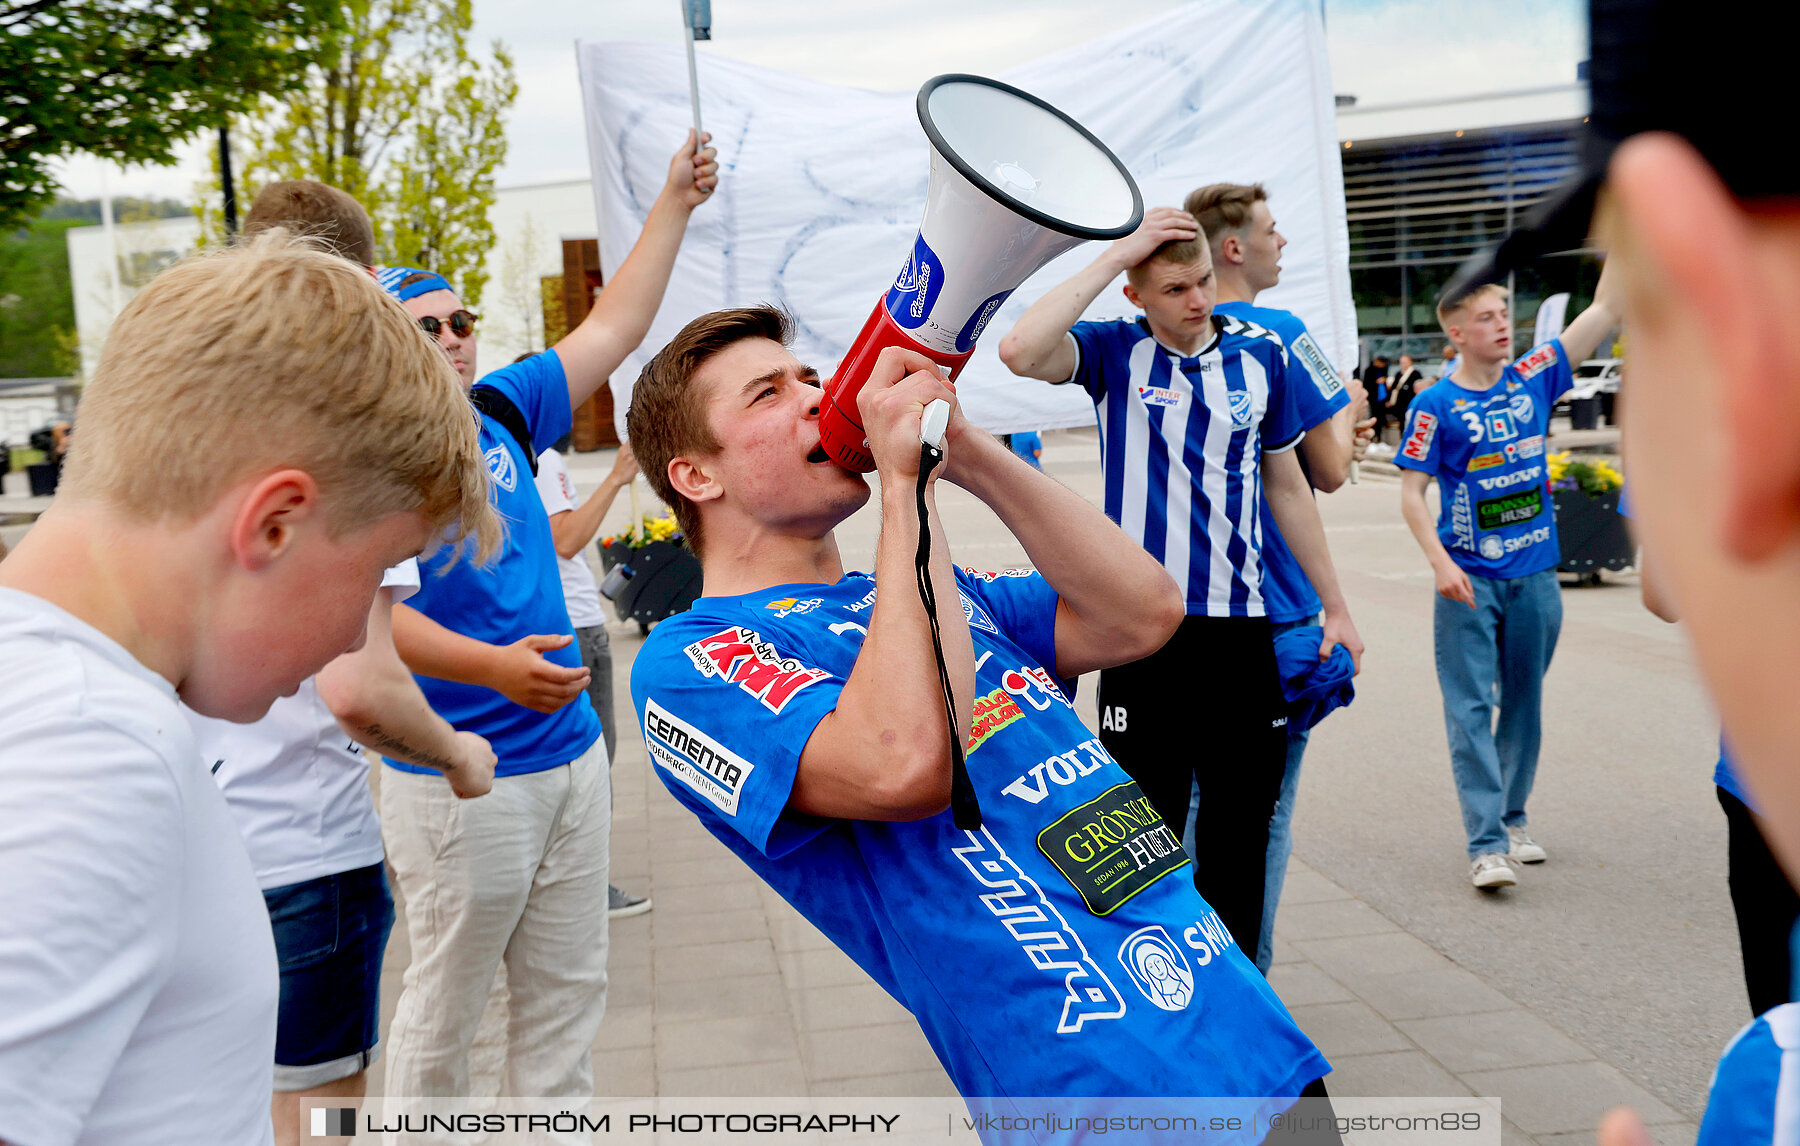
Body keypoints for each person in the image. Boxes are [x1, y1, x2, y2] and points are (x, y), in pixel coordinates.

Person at [626, 306, 1338, 1134]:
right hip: (1098, 1086)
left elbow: (1142, 613)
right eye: (768, 394)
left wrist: (965, 452)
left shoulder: (931, 592)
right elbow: (905, 765)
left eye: (812, 378)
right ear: (696, 477)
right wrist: (903, 488)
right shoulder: (689, 659)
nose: (820, 399)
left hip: (1246, 1028)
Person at [0, 233, 496, 1146]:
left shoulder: (68, 711)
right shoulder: (87, 755)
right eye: (378, 568)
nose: (357, 631)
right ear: (273, 524)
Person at [375, 130, 715, 1109]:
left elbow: (613, 327)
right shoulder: (377, 461)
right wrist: (491, 670)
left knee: (570, 998)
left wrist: (673, 207)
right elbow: (368, 633)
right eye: (426, 327)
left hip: (569, 759)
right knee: (446, 1010)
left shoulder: (502, 409)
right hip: (457, 777)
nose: (452, 339)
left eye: (460, 322)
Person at [174, 183, 500, 1146]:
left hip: (195, 833)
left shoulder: (185, 426)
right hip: (305, 848)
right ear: (364, 284)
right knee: (325, 1116)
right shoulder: (352, 449)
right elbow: (359, 684)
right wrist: (457, 756)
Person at [997, 207, 1364, 954]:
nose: (1196, 300)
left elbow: (1289, 486)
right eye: (1173, 288)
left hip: (1240, 633)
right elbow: (1019, 349)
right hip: (1143, 635)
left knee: (1240, 839)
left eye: (1200, 282)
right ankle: (1155, 994)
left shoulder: (1262, 355)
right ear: (1137, 296)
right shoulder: (1114, 353)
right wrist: (1114, 255)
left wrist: (1337, 607)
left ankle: (1240, 1019)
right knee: (1146, 836)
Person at [1184, 181, 1367, 972]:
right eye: (1269, 228)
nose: (1282, 240)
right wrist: (1350, 405)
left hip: (1186, 609)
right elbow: (1324, 471)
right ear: (1233, 248)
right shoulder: (1284, 335)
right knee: (1262, 809)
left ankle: (1181, 969)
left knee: (1183, 799)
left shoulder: (1163, 331)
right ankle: (1245, 976)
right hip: (1276, 605)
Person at [1394, 269, 1619, 889]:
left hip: (1536, 576)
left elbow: (1603, 309)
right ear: (1456, 332)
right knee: (1470, 708)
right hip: (1468, 580)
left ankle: (1514, 820)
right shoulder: (1433, 405)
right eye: (1489, 318)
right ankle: (1485, 844)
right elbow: (1413, 493)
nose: (1503, 326)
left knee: (1524, 701)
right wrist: (1440, 563)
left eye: (1505, 314)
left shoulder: (1533, 376)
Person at [533, 435, 651, 917]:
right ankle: (584, 887)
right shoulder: (541, 456)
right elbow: (566, 538)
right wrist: (618, 476)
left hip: (546, 620)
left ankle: (557, 881)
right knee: (592, 760)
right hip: (574, 624)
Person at [1362, 356, 1390, 444]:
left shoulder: (1383, 370)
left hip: (1382, 399)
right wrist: (1376, 382)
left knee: (1382, 418)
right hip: (1373, 399)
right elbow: (1366, 384)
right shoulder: (1369, 370)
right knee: (1374, 417)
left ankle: (1379, 438)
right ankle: (1373, 438)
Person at [1388, 353, 1424, 424]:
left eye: (1405, 362)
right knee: (1401, 421)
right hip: (1400, 402)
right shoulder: (1398, 373)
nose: (1403, 364)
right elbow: (1394, 387)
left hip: (1410, 400)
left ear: (1410, 362)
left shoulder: (1415, 373)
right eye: (1402, 362)